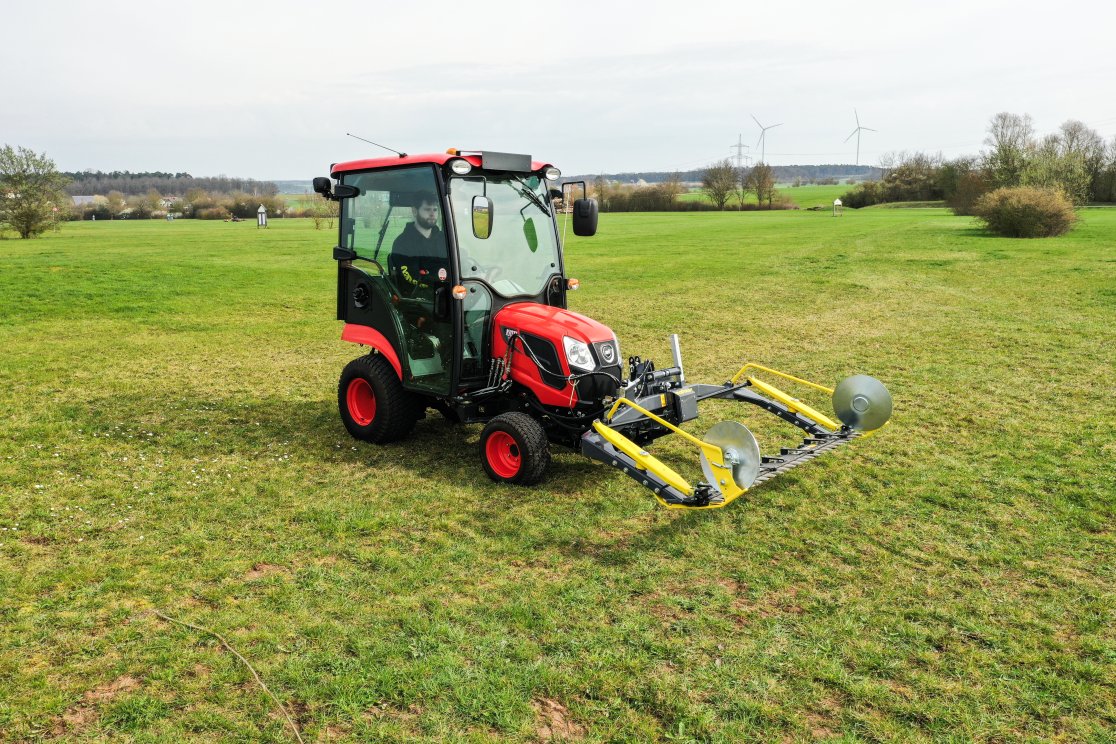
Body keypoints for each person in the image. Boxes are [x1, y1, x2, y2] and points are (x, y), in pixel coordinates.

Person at [389, 191, 449, 299]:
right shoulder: (402, 243)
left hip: (447, 296)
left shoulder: (444, 239)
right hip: (417, 302)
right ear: (415, 211)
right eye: (427, 209)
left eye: (435, 210)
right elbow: (412, 277)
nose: (432, 214)